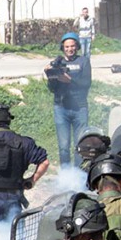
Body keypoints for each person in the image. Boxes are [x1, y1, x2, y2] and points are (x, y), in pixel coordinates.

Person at [46, 32, 91, 167]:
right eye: (66, 47)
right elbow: (52, 88)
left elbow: (86, 83)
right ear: (62, 48)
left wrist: (70, 80)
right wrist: (51, 76)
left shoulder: (84, 61)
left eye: (72, 46)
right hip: (61, 108)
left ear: (77, 46)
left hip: (80, 108)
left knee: (79, 146)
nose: (69, 49)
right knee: (64, 146)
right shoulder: (58, 63)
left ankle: (78, 175)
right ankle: (66, 176)